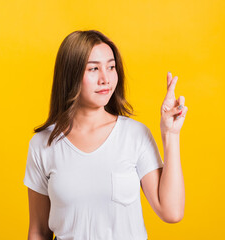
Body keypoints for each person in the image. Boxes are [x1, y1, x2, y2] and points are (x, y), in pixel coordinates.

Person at [23, 30, 187, 240]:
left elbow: (171, 212)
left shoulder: (135, 135)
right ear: (70, 74)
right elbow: (38, 231)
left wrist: (171, 134)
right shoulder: (42, 144)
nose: (106, 78)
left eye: (111, 67)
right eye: (93, 69)